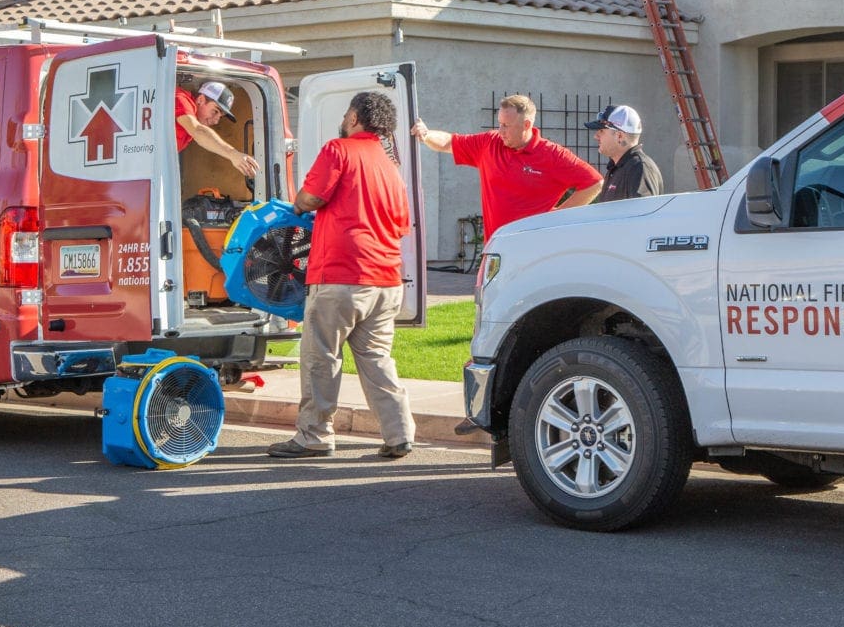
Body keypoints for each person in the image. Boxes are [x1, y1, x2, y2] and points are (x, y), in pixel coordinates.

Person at [267, 91, 415, 460]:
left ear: (354, 117)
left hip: (341, 275)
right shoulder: (389, 165)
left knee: (321, 358)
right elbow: (400, 225)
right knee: (377, 358)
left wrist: (299, 202)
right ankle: (399, 434)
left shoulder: (339, 150)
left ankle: (314, 437)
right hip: (385, 280)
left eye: (347, 113)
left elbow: (311, 199)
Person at [411, 94, 602, 243]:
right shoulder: (490, 142)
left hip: (533, 251)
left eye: (506, 126)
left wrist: (557, 216)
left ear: (526, 125)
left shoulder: (552, 155)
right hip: (495, 248)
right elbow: (449, 143)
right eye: (499, 124)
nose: (500, 131)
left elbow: (594, 183)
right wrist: (426, 134)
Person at [175, 80, 258, 178]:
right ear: (200, 100)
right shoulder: (180, 99)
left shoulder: (194, 118)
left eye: (220, 116)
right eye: (215, 111)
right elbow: (198, 130)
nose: (216, 121)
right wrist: (233, 154)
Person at [585, 104, 663, 202]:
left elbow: (642, 215)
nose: (596, 136)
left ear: (619, 136)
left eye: (601, 131)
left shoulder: (639, 168)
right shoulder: (618, 167)